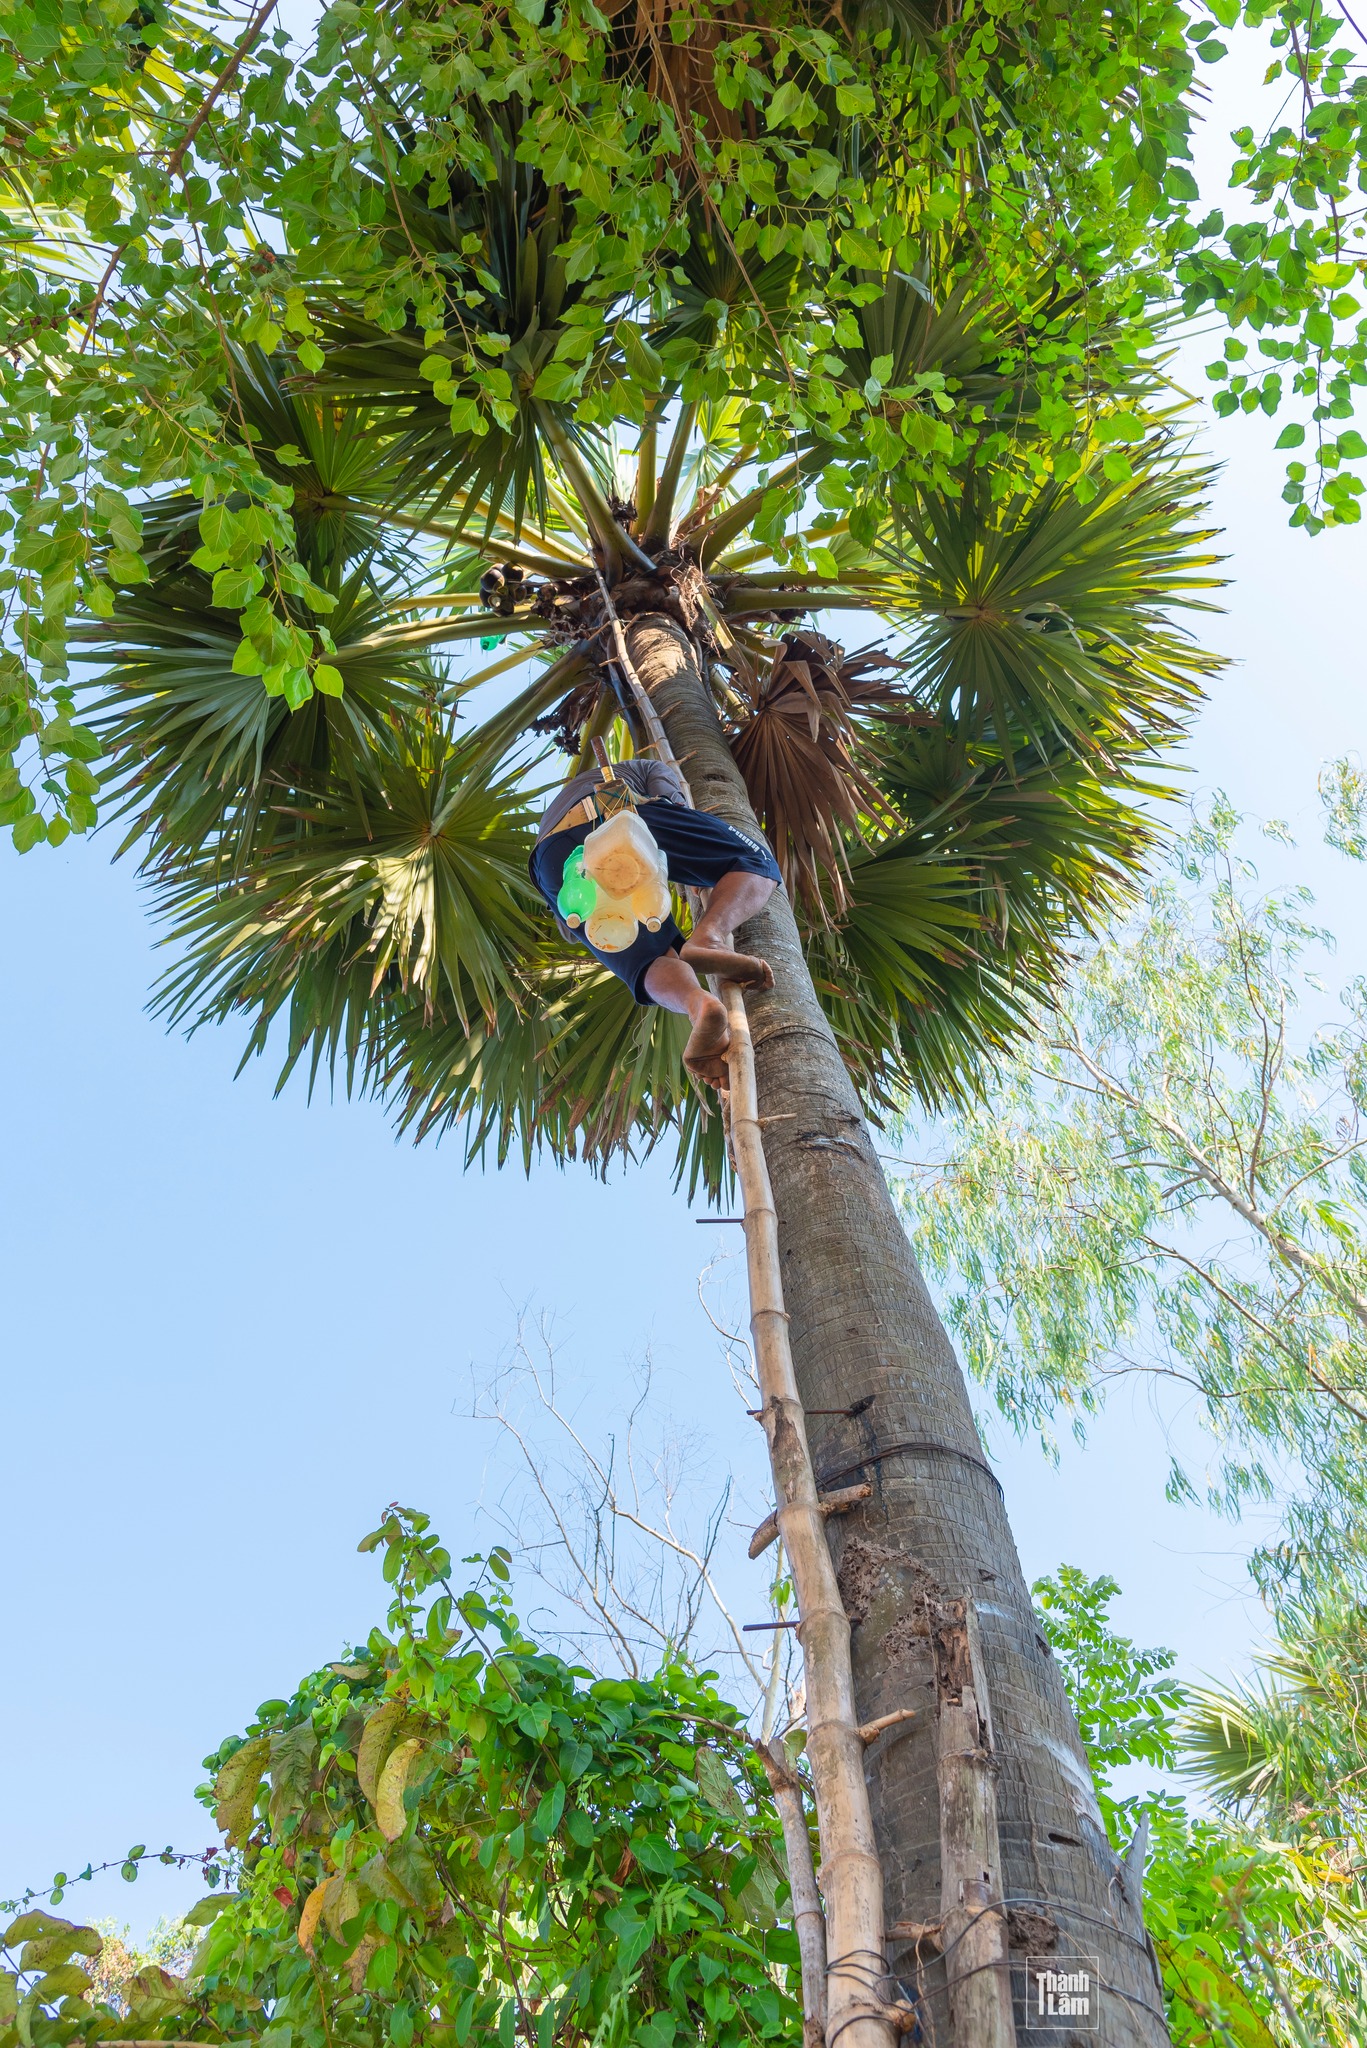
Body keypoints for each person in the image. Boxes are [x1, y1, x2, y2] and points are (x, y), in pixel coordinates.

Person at [529, 754, 781, 1083]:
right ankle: (710, 937)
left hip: (553, 864)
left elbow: (571, 927)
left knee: (649, 960)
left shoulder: (550, 820)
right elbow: (669, 801)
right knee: (757, 861)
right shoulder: (642, 767)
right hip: (615, 811)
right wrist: (698, 865)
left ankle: (699, 1005)